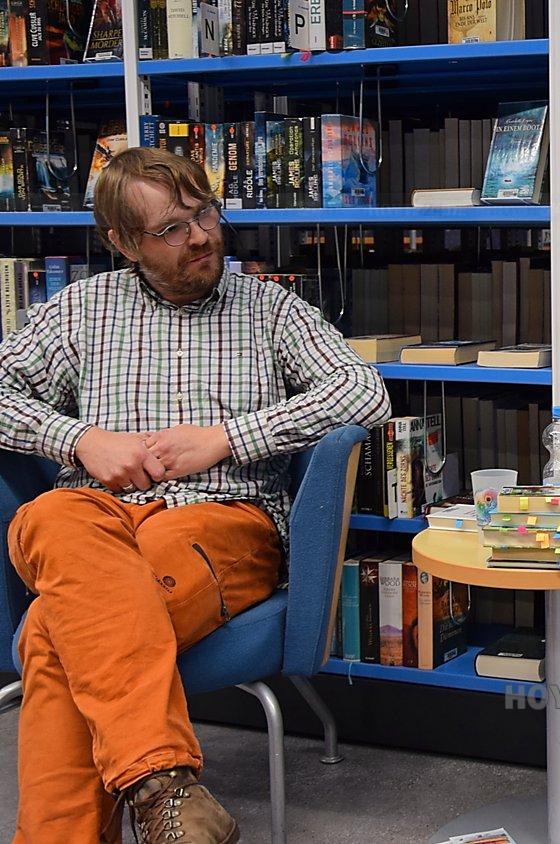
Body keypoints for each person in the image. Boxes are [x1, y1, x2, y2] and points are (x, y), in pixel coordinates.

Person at [1, 146, 392, 843]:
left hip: (218, 521)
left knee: (52, 634)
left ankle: (153, 794)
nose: (204, 236)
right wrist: (81, 440)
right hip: (90, 517)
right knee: (55, 512)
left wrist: (228, 439)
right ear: (122, 242)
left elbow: (363, 392)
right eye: (173, 230)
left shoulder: (271, 309)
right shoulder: (80, 311)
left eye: (206, 213)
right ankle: (166, 791)